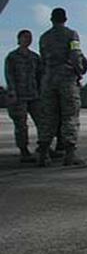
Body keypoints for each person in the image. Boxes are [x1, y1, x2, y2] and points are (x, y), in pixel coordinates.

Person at [37, 7, 87, 167]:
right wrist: (79, 72)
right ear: (65, 19)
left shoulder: (44, 37)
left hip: (48, 80)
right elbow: (75, 55)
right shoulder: (71, 34)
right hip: (66, 79)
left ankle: (43, 154)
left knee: (48, 117)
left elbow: (43, 60)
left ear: (51, 20)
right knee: (70, 116)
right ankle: (70, 154)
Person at [4, 30, 43, 162]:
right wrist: (12, 92)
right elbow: (9, 76)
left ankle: (43, 147)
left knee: (42, 122)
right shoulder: (12, 57)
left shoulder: (35, 57)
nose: (28, 39)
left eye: (30, 37)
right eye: (25, 37)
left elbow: (40, 75)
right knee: (21, 125)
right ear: (19, 39)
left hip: (33, 95)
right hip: (19, 96)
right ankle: (24, 150)